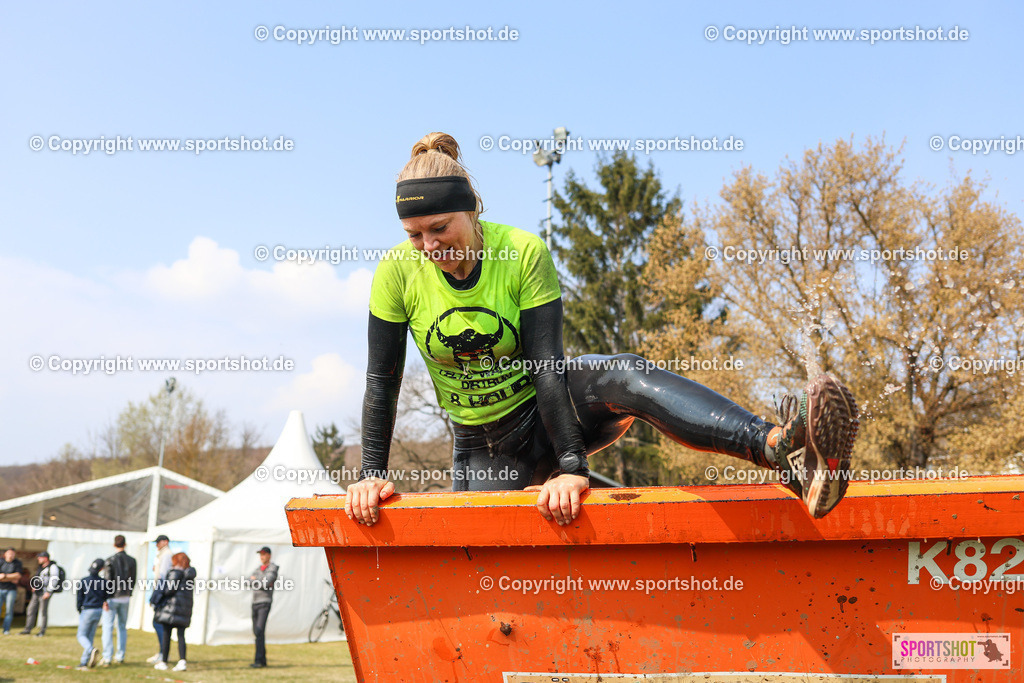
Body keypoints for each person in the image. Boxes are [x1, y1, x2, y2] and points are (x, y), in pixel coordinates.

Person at [346, 132, 860, 526]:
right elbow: (381, 382)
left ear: (472, 210)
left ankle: (781, 451)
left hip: (554, 410)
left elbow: (548, 368)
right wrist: (371, 476)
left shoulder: (521, 252)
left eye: (441, 229)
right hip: (486, 447)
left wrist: (571, 464)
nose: (431, 246)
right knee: (492, 571)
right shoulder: (397, 272)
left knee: (622, 373)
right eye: (415, 235)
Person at [150, 551, 195, 672]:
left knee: (166, 635)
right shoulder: (190, 575)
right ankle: (182, 661)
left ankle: (164, 661)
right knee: (181, 636)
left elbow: (169, 590)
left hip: (171, 609)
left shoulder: (175, 573)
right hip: (184, 609)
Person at [100, 534, 136, 665]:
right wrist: (129, 592)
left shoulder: (110, 560)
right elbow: (133, 579)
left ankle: (108, 656)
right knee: (122, 627)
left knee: (108, 627)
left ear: (114, 545)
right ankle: (120, 655)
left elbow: (108, 581)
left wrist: (104, 598)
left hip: (112, 597)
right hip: (125, 597)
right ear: (125, 544)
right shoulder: (132, 560)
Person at [75, 558, 111, 670]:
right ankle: (84, 662)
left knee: (81, 635)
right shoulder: (104, 582)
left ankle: (90, 650)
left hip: (87, 609)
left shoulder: (84, 580)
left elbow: (79, 597)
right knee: (90, 636)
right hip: (98, 611)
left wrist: (79, 609)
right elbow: (107, 595)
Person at [249, 546, 279, 669]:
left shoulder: (273, 568)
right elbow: (248, 581)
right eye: (260, 555)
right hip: (255, 602)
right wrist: (258, 581)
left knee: (260, 630)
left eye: (263, 554)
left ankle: (259, 660)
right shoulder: (258, 569)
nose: (261, 557)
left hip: (264, 602)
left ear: (269, 555)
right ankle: (262, 660)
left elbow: (266, 583)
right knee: (257, 632)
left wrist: (256, 580)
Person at [19, 551, 60, 636]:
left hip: (45, 592)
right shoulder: (41, 567)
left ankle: (42, 631)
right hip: (37, 592)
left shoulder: (53, 567)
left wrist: (49, 592)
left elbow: (54, 580)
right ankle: (27, 629)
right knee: (30, 609)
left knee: (43, 612)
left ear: (45, 558)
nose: (38, 559)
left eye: (40, 557)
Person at [146, 534, 172, 664]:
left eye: (159, 542)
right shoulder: (162, 554)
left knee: (158, 623)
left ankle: (163, 653)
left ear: (165, 542)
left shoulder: (166, 554)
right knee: (158, 623)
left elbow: (163, 576)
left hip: (161, 592)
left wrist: (156, 596)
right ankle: (162, 652)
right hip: (160, 590)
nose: (157, 545)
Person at [0, 547, 23, 635]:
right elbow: (14, 577)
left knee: (9, 610)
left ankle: (6, 629)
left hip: (11, 590)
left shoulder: (17, 563)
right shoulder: (1, 561)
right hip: (0, 588)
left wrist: (4, 576)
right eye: (9, 553)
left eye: (13, 554)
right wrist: (11, 578)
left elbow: (18, 576)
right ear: (5, 554)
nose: (11, 555)